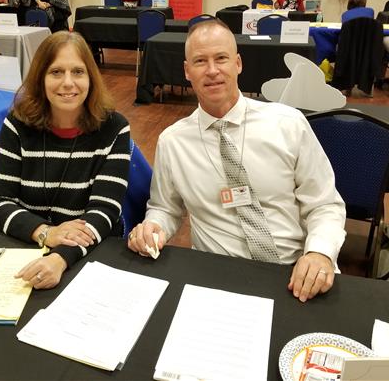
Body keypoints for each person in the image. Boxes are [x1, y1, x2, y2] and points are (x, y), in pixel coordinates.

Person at [128, 19, 346, 303]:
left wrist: (319, 253)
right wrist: (153, 228)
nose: (212, 70)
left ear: (238, 63)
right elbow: (165, 209)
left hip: (293, 272)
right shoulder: (173, 142)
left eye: (221, 58)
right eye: (200, 61)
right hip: (215, 277)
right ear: (187, 71)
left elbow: (325, 203)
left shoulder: (288, 124)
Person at [0, 31, 131, 289]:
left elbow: (104, 211)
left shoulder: (114, 128)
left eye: (78, 72)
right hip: (27, 250)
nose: (68, 83)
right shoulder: (18, 124)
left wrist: (60, 258)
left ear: (91, 78)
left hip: (88, 255)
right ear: (40, 78)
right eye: (56, 72)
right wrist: (46, 233)